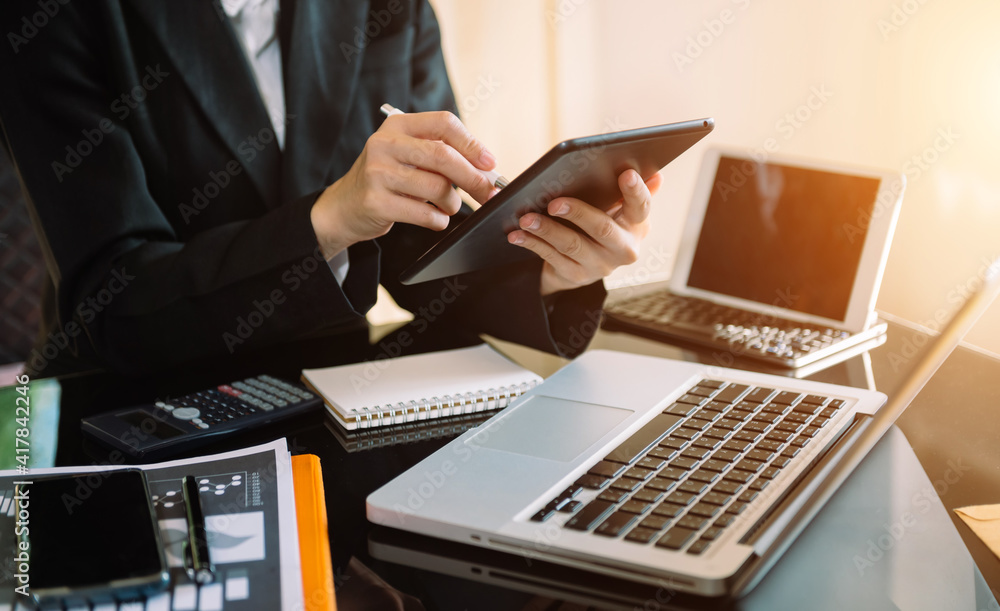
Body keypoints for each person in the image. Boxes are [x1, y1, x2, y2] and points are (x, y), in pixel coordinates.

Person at [0, 0, 659, 377]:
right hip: (133, 426)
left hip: (332, 402)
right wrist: (330, 220)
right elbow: (114, 305)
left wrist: (547, 267)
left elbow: (418, 252)